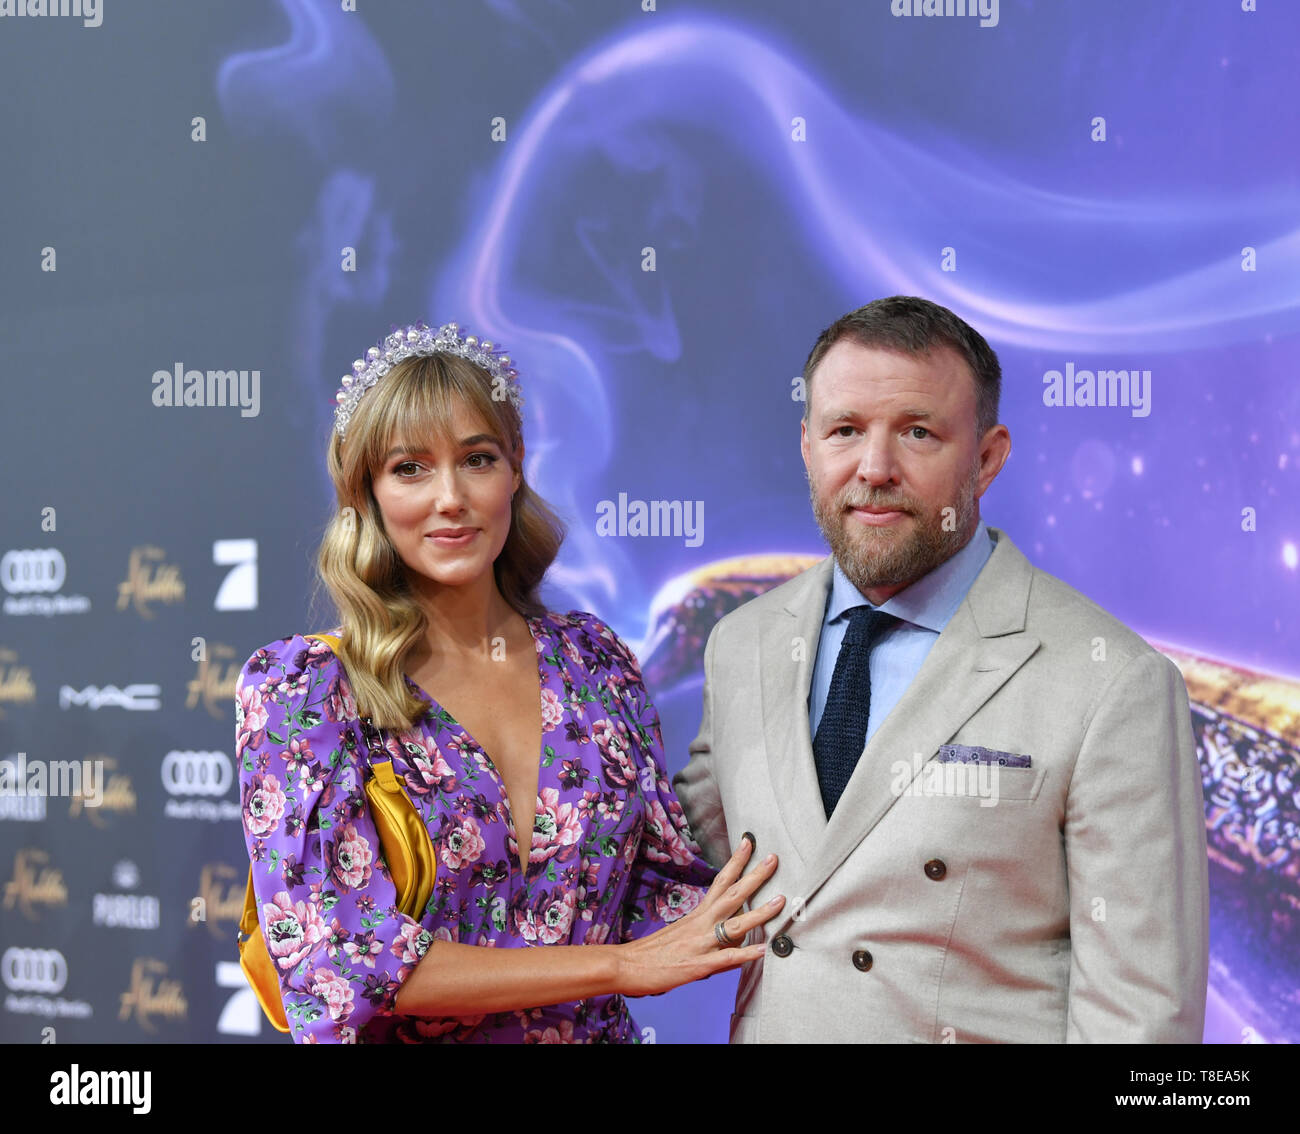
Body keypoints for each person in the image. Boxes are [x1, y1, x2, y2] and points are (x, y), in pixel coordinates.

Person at [673, 296, 1210, 1043]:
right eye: (845, 431)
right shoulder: (742, 645)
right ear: (807, 446)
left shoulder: (1112, 682)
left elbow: (1143, 1020)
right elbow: (692, 860)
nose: (874, 468)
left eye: (918, 432)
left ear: (987, 459)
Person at [235, 320, 784, 1043]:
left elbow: (659, 890)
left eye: (478, 458)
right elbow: (341, 964)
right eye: (409, 468)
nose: (451, 498)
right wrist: (616, 969)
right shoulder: (304, 691)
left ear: (516, 467)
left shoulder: (592, 662)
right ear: (362, 491)